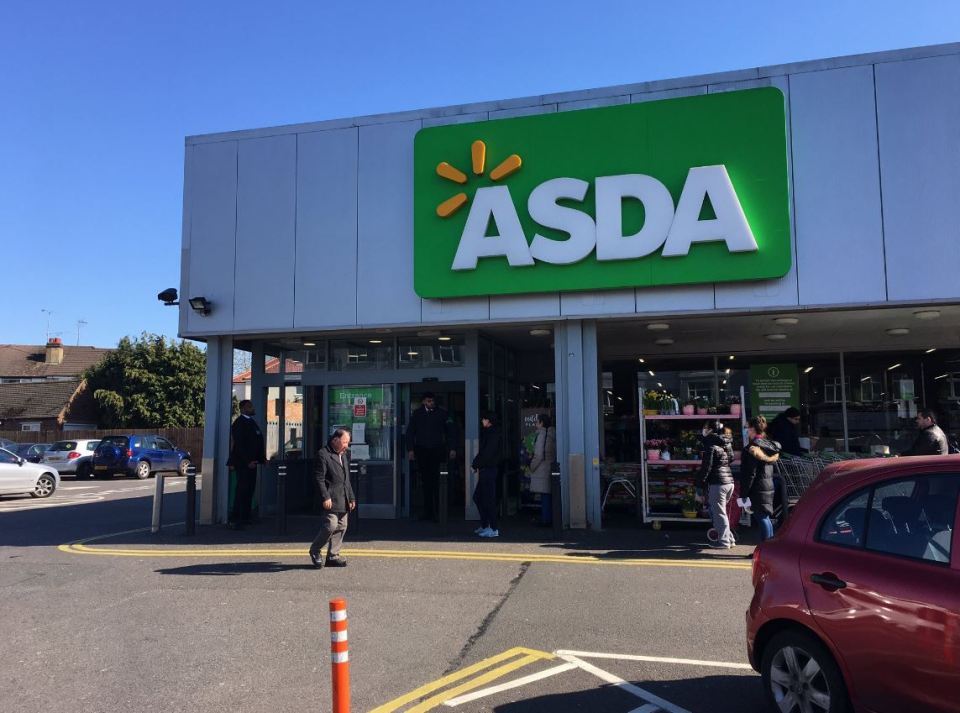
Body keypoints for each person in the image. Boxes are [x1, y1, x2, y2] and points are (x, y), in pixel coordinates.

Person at [406, 392, 458, 521]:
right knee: (426, 482)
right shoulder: (417, 414)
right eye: (429, 401)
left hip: (438, 450)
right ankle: (428, 512)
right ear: (424, 402)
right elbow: (410, 432)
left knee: (438, 482)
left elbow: (451, 432)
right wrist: (411, 449)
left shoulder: (442, 413)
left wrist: (452, 448)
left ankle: (440, 513)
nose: (431, 403)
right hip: (423, 451)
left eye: (433, 401)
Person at [308, 429, 356, 569]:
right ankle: (315, 550)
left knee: (342, 526)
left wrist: (351, 497)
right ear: (335, 440)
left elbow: (347, 479)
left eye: (348, 442)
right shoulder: (323, 454)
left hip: (343, 497)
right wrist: (325, 496)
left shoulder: (344, 454)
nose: (347, 445)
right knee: (331, 525)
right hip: (330, 497)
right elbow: (319, 478)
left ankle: (333, 556)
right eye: (345, 442)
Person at [739, 416, 781, 543]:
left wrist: (744, 493)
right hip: (767, 485)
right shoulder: (768, 445)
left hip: (757, 487)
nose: (746, 430)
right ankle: (768, 547)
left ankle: (766, 548)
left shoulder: (752, 448)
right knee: (765, 517)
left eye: (747, 428)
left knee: (761, 517)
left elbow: (750, 473)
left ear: (752, 429)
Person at [697, 420, 736, 549]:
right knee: (721, 512)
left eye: (705, 427)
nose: (703, 430)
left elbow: (706, 468)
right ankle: (730, 539)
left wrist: (700, 483)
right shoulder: (726, 442)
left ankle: (724, 542)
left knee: (719, 513)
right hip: (729, 482)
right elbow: (731, 459)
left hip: (718, 483)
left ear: (710, 430)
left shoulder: (710, 445)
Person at [227, 399, 266, 529]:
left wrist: (261, 459)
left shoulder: (252, 422)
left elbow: (258, 440)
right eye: (250, 407)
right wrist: (247, 461)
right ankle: (236, 518)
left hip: (253, 463)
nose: (252, 408)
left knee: (250, 490)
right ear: (243, 409)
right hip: (243, 464)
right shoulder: (239, 423)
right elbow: (239, 445)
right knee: (242, 490)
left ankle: (246, 516)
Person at [472, 412, 501, 538]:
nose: (482, 421)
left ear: (489, 421)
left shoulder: (493, 434)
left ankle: (494, 528)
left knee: (488, 499)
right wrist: (476, 464)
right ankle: (485, 525)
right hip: (486, 469)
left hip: (489, 469)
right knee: (478, 497)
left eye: (483, 419)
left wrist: (476, 464)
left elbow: (487, 453)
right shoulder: (489, 433)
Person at [528, 414, 556, 526]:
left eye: (537, 422)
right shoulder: (552, 435)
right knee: (548, 495)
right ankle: (549, 518)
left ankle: (546, 519)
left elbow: (538, 455)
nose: (535, 424)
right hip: (550, 467)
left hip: (542, 468)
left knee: (544, 495)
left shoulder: (541, 435)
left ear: (542, 423)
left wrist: (532, 466)